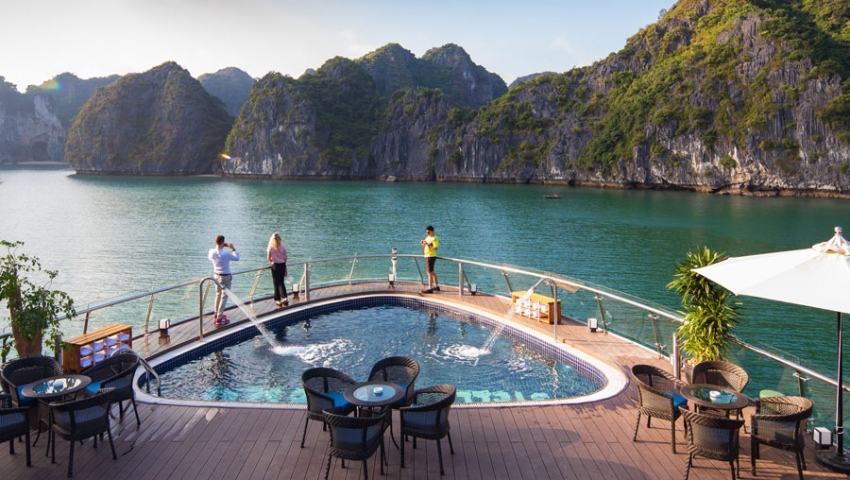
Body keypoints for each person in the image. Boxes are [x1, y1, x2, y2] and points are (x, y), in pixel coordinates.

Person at [208, 235, 240, 325]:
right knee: (224, 297)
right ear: (223, 242)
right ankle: (219, 318)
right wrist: (233, 249)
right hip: (225, 277)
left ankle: (216, 313)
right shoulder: (226, 254)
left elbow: (210, 257)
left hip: (216, 276)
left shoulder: (211, 252)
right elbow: (237, 258)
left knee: (218, 294)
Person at [267, 232, 289, 308]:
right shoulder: (283, 247)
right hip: (282, 265)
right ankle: (285, 298)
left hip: (275, 266)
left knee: (276, 283)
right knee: (281, 282)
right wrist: (282, 261)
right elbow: (285, 258)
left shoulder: (270, 248)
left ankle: (278, 300)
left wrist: (273, 261)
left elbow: (268, 258)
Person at [421, 225, 440, 293]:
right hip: (427, 255)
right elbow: (424, 244)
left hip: (430, 256)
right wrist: (423, 243)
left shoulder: (434, 239)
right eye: (426, 232)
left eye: (428, 232)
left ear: (432, 231)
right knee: (432, 272)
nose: (427, 233)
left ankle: (430, 288)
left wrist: (427, 244)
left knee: (429, 273)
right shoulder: (428, 237)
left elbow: (435, 248)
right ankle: (436, 286)